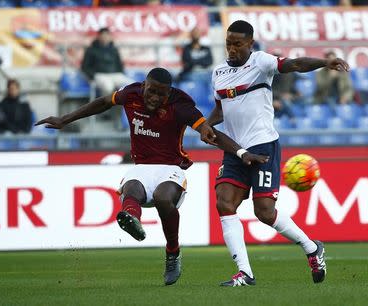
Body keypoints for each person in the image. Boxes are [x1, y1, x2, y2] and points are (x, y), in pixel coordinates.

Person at [35, 67, 266, 286]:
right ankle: (130, 218)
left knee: (163, 198)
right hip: (141, 166)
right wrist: (65, 119)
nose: (154, 97)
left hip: (171, 168)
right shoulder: (130, 93)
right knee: (132, 188)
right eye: (151, 91)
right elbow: (103, 102)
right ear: (144, 85)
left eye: (161, 94)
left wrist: (241, 152)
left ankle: (172, 252)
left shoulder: (181, 105)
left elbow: (209, 131)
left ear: (169, 93)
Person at [208, 20, 349, 287]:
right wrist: (203, 123)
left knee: (264, 212)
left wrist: (323, 63)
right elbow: (220, 111)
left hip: (263, 146)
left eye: (237, 44)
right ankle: (245, 273)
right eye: (229, 43)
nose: (232, 49)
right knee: (224, 203)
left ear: (250, 43)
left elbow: (295, 64)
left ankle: (311, 248)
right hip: (235, 150)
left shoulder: (261, 62)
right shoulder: (218, 73)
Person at [81, 27, 132, 96]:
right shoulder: (91, 49)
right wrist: (93, 76)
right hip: (100, 75)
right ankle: (106, 105)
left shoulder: (114, 49)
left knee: (132, 85)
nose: (105, 37)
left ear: (110, 37)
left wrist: (120, 72)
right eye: (103, 35)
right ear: (98, 37)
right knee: (108, 87)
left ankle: (128, 106)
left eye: (107, 35)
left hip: (115, 74)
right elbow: (85, 66)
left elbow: (119, 64)